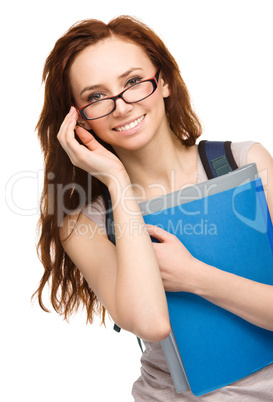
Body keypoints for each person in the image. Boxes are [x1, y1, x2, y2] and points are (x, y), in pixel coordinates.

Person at [34, 15, 273, 400]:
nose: (121, 106)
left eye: (132, 82)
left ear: (162, 83)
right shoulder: (84, 223)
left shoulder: (244, 162)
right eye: (95, 97)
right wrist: (116, 180)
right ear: (77, 119)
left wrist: (194, 276)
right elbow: (151, 322)